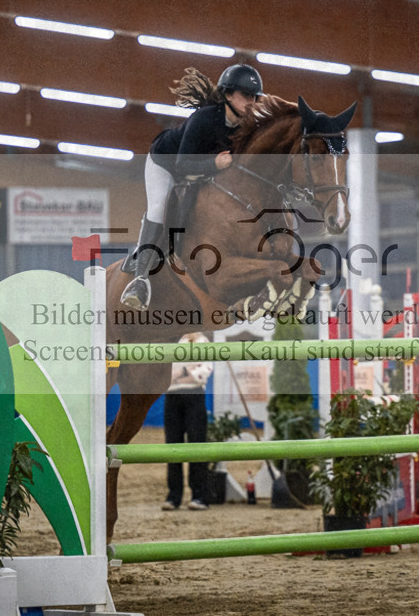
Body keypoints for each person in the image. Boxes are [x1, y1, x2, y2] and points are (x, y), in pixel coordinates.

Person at [120, 64, 264, 310]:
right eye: (245, 96)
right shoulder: (205, 118)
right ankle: (140, 280)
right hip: (166, 163)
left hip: (200, 173)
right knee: (159, 207)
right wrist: (215, 163)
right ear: (228, 95)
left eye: (254, 97)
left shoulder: (246, 126)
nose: (251, 102)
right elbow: (182, 164)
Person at [162, 332, 214, 511]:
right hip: (172, 397)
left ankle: (199, 495)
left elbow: (204, 371)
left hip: (194, 396)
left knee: (197, 445)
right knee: (172, 446)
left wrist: (181, 372)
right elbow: (166, 372)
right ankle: (173, 496)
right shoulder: (172, 339)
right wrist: (187, 370)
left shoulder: (203, 341)